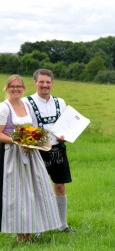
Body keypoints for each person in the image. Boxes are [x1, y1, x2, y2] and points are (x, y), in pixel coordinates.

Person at [0, 75, 61, 242]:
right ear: (7, 88)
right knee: (18, 194)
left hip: (31, 153)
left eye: (19, 86)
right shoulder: (4, 108)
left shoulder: (26, 104)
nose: (16, 89)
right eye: (12, 86)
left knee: (35, 190)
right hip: (13, 155)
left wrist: (34, 141)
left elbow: (34, 128)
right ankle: (21, 236)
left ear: (23, 89)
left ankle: (34, 229)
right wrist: (18, 141)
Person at [27, 69, 74, 232]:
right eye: (41, 82)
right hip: (37, 151)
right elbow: (24, 128)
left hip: (58, 149)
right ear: (35, 83)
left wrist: (66, 135)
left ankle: (62, 225)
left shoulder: (60, 102)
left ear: (52, 83)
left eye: (48, 82)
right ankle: (38, 228)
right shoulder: (27, 102)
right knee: (37, 188)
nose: (45, 85)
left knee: (60, 186)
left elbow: (67, 124)